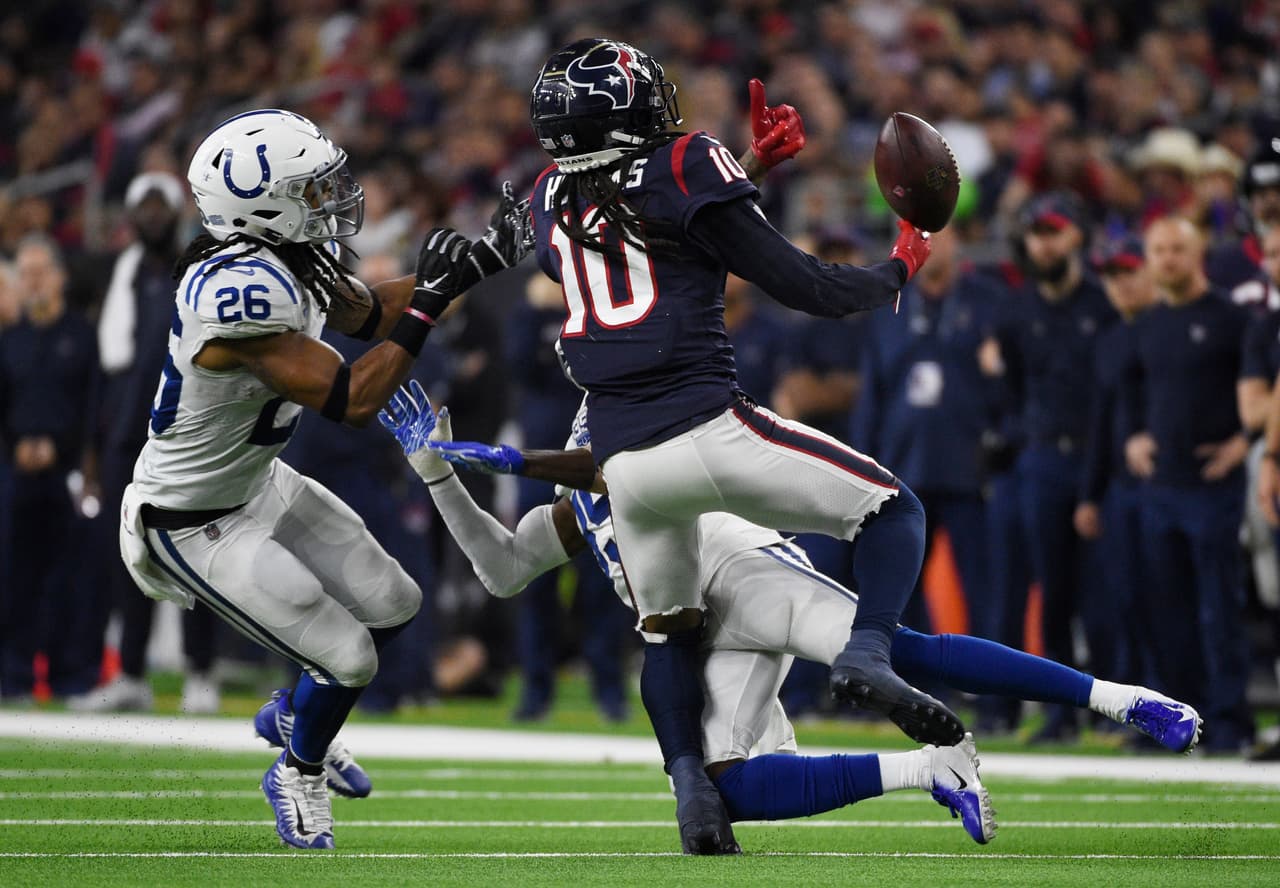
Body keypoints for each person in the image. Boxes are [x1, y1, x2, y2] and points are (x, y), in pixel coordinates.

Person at [377, 384, 1201, 847]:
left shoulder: (657, 454)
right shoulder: (570, 512)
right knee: (724, 791)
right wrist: (437, 477)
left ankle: (1121, 698)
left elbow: (613, 469)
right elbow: (501, 571)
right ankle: (930, 771)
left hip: (750, 577)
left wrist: (519, 461)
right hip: (701, 640)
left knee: (903, 652)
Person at [527, 37, 945, 854]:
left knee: (667, 632)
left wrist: (748, 169)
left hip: (623, 463)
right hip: (708, 426)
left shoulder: (550, 195)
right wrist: (898, 268)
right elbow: (802, 284)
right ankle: (867, 652)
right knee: (894, 511)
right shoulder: (685, 161)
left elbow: (648, 242)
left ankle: (690, 785)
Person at [118, 108, 527, 849]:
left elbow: (371, 314)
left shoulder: (286, 259)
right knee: (347, 656)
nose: (331, 197)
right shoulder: (235, 292)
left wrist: (484, 259)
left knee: (396, 602)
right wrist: (431, 303)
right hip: (192, 517)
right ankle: (298, 770)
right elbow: (352, 399)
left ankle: (294, 716)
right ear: (261, 207)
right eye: (311, 187)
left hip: (256, 482)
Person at [71, 171, 222, 715]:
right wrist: (93, 455)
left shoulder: (200, 274)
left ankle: (200, 672)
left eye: (162, 205)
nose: (153, 215)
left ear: (177, 212)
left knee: (198, 550)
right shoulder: (125, 278)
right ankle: (131, 673)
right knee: (130, 556)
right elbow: (104, 373)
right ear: (132, 216)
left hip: (186, 435)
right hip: (125, 438)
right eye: (145, 206)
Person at [983, 192, 1119, 742]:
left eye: (1054, 233)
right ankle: (1063, 711)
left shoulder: (1103, 306)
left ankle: (1114, 705)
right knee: (1054, 593)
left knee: (1105, 590)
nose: (1044, 245)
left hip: (1097, 456)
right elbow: (1011, 390)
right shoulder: (1017, 311)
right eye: (1037, 234)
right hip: (1041, 458)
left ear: (1077, 237)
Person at [1126, 216, 1254, 754]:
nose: (1168, 259)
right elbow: (1134, 396)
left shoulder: (1233, 318)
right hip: (1162, 485)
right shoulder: (1148, 324)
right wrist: (1134, 438)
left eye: (1177, 248)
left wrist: (1243, 444)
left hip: (1212, 484)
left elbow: (1261, 385)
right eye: (1158, 250)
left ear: (1198, 252)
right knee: (1165, 609)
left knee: (1218, 607)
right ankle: (1176, 721)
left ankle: (1229, 720)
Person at [0, 235, 102, 703]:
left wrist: (70, 456)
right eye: (25, 273)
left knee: (70, 578)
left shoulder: (82, 336)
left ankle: (71, 677)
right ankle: (13, 676)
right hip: (16, 474)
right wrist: (15, 447)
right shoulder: (11, 340)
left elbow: (93, 408)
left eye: (40, 271)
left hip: (67, 476)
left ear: (60, 277)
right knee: (12, 576)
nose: (33, 281)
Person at [1074, 237, 1160, 705]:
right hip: (1120, 488)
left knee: (1167, 599)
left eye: (1129, 271)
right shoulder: (1108, 341)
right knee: (1126, 598)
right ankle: (1138, 705)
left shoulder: (1170, 327)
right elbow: (1102, 423)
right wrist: (1090, 495)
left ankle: (1188, 701)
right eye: (1112, 275)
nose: (1121, 284)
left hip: (1171, 483)